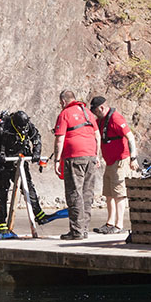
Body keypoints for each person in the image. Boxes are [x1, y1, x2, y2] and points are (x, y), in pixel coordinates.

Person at [0, 110, 67, 239]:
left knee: (28, 187)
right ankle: (2, 227)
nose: (22, 129)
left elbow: (36, 137)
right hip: (0, 163)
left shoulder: (27, 125)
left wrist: (36, 152)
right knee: (2, 193)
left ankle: (39, 215)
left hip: (18, 159)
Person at [52, 90, 101, 240]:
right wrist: (96, 155)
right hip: (90, 156)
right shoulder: (87, 112)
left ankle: (76, 231)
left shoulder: (65, 114)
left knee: (74, 193)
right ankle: (84, 229)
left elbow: (60, 139)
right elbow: (97, 135)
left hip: (74, 157)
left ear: (63, 102)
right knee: (87, 193)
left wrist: (56, 160)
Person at [89, 95, 139, 234]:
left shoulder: (116, 118)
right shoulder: (101, 120)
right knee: (109, 194)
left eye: (95, 110)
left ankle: (119, 225)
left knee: (119, 193)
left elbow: (130, 137)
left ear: (102, 107)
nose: (94, 113)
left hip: (121, 160)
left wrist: (133, 158)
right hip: (109, 162)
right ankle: (109, 223)